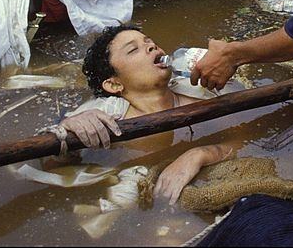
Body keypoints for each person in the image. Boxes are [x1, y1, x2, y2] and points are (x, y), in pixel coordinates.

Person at [52, 25, 238, 205]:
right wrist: (71, 128)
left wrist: (201, 154)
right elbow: (54, 167)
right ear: (114, 84)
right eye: (133, 50)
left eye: (150, 42)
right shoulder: (107, 117)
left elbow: (246, 135)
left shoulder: (200, 92)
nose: (152, 46)